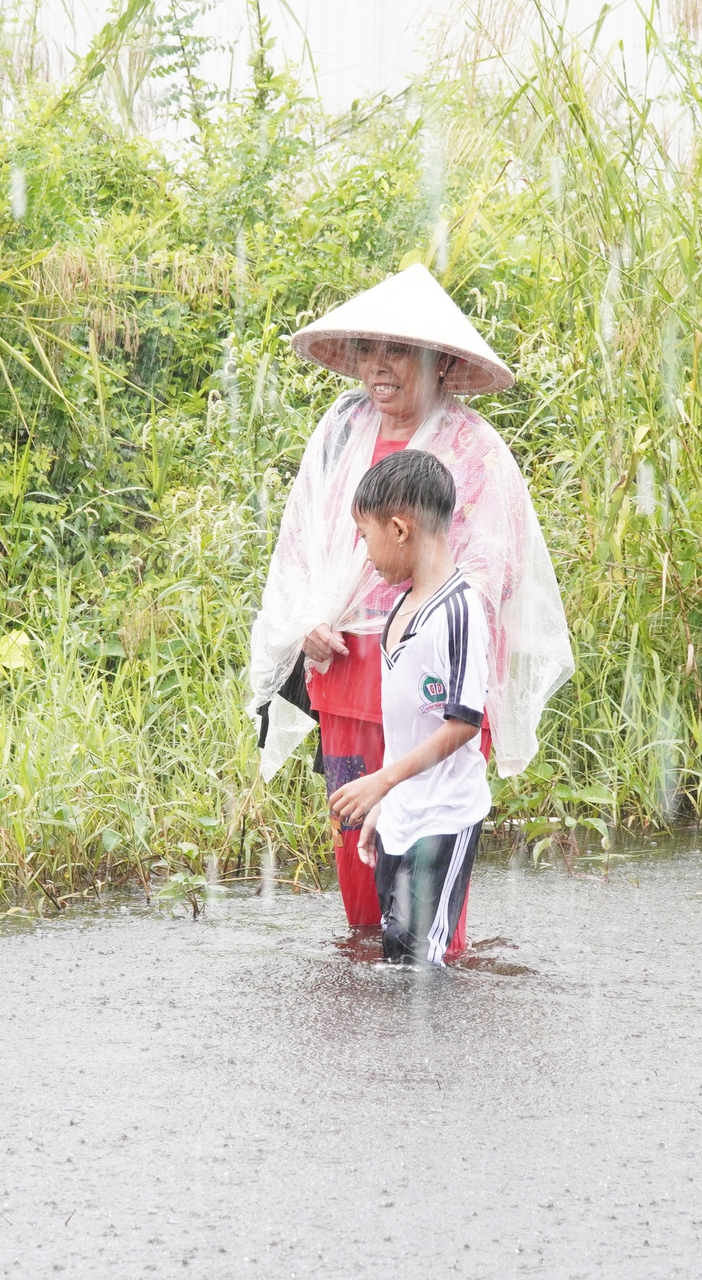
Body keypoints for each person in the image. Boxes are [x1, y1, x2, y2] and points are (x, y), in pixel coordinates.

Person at [248, 266, 574, 949]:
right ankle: (378, 1007)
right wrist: (309, 615)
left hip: (431, 677)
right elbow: (302, 539)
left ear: (443, 363)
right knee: (361, 859)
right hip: (344, 674)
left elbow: (491, 568)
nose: (378, 367)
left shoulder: (476, 451)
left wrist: (418, 618)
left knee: (426, 858)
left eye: (397, 351)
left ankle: (430, 1014)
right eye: (368, 350)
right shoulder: (339, 430)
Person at [325, 450, 492, 965]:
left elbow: (464, 722)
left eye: (365, 533)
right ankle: (402, 1048)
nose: (363, 550)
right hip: (400, 812)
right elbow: (404, 729)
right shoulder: (402, 604)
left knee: (419, 959)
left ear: (399, 529)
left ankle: (444, 1047)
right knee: (396, 949)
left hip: (444, 814)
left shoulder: (459, 609)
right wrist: (385, 801)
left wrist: (383, 781)